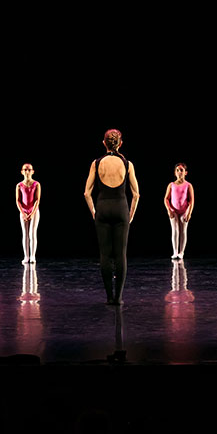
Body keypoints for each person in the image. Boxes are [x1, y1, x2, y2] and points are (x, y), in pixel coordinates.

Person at [84, 129, 140, 304]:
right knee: (121, 254)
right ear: (120, 144)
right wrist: (130, 215)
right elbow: (136, 194)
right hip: (121, 209)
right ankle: (119, 297)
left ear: (104, 143)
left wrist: (94, 212)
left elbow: (87, 193)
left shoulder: (96, 163)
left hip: (103, 209)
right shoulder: (127, 164)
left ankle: (109, 297)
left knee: (105, 254)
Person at [163, 163, 194, 260]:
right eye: (177, 170)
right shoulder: (171, 185)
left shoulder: (188, 185)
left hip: (184, 210)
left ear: (186, 173)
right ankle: (175, 251)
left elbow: (191, 200)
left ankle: (181, 252)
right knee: (175, 230)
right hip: (174, 210)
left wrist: (189, 213)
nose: (179, 172)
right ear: (175, 173)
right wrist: (169, 210)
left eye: (181, 170)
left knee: (183, 231)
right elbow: (166, 199)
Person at [15, 163, 41, 264]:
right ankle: (26, 256)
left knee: (32, 233)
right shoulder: (19, 185)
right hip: (23, 211)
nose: (27, 172)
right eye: (25, 170)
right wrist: (23, 212)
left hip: (34, 211)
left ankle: (33, 256)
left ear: (32, 172)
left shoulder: (36, 184)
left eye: (29, 170)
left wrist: (32, 213)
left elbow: (37, 199)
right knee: (25, 234)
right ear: (22, 172)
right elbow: (18, 200)